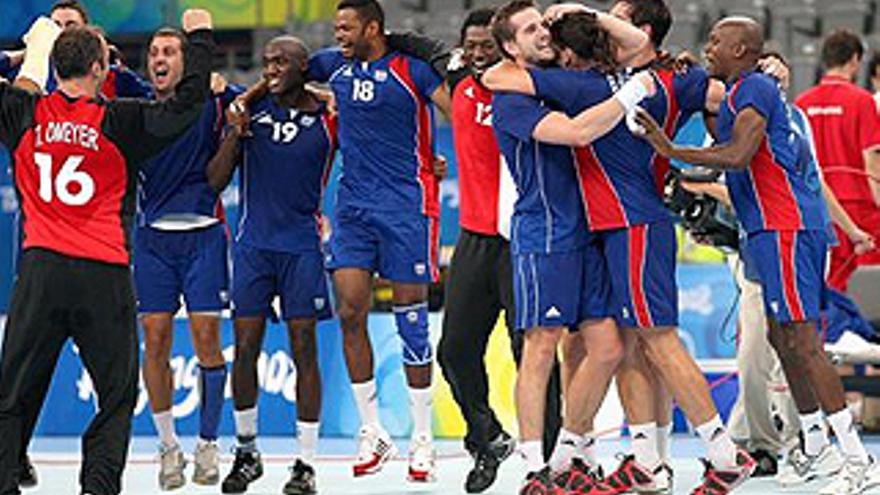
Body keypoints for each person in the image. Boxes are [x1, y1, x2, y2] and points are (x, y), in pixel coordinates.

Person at [636, 15, 880, 495]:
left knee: (803, 343)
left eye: (716, 41)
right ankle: (816, 449)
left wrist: (669, 149)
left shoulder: (757, 88)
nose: (707, 46)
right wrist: (683, 74)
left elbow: (737, 155)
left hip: (786, 227)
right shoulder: (740, 93)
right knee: (781, 338)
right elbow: (719, 125)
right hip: (770, 230)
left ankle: (857, 460)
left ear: (743, 50)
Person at [0, 9, 214, 495]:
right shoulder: (123, 120)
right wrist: (199, 38)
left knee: (11, 393)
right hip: (103, 274)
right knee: (116, 397)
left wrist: (23, 53)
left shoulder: (23, 112)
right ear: (100, 69)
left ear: (55, 67)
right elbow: (188, 104)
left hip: (39, 272)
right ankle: (97, 489)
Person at [485, 2, 658, 493]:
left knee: (607, 346)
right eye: (529, 29)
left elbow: (641, 48)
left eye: (543, 23)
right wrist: (630, 94)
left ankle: (570, 452)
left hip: (589, 231)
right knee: (540, 348)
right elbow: (578, 134)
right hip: (545, 234)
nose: (543, 32)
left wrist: (591, 14)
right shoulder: (511, 98)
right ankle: (530, 466)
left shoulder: (563, 81)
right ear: (511, 48)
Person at [306, 0, 452, 481]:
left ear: (373, 27)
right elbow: (290, 70)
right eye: (336, 28)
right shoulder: (334, 67)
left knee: (410, 316)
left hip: (407, 205)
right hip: (352, 208)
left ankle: (422, 437)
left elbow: (456, 115)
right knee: (349, 310)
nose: (339, 36)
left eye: (347, 28)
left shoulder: (413, 71)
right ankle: (373, 431)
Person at [206, 36, 337, 495]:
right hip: (253, 248)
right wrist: (234, 129)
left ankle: (306, 463)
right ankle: (246, 452)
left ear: (304, 68)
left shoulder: (329, 118)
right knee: (244, 348)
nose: (271, 69)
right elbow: (215, 180)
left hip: (301, 247)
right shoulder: (249, 115)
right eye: (266, 63)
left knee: (305, 347)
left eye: (281, 62)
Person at [438, 7, 561, 493]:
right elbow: (402, 42)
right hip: (473, 240)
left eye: (485, 46)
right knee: (454, 351)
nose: (475, 54)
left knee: (530, 353)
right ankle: (486, 436)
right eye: (469, 47)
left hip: (524, 242)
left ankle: (549, 461)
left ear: (507, 48)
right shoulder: (459, 80)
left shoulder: (532, 87)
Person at [134, 26, 239, 491]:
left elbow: (268, 94)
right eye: (154, 52)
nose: (160, 58)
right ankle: (168, 448)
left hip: (203, 237)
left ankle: (209, 445)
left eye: (170, 51)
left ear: (186, 60)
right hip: (152, 241)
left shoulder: (214, 98)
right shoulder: (134, 104)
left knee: (206, 342)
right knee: (154, 341)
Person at [794, 30, 880, 293]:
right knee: (869, 292)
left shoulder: (801, 104)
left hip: (819, 208)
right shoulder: (862, 100)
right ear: (855, 60)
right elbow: (872, 160)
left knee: (830, 289)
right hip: (860, 208)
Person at [0, 0, 152, 99]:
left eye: (70, 25)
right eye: (55, 25)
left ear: (86, 31)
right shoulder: (29, 73)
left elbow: (156, 97)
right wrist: (25, 53)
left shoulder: (110, 74)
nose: (61, 32)